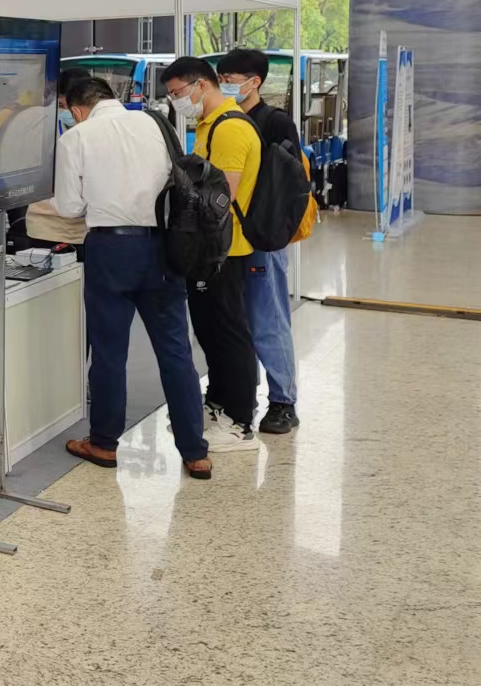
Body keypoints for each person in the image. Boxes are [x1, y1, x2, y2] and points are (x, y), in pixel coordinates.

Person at [53, 76, 212, 479]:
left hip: (110, 250)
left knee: (109, 353)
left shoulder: (76, 138)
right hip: (163, 248)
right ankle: (196, 452)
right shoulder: (154, 122)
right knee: (175, 351)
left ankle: (104, 443)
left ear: (76, 109)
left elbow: (69, 207)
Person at [161, 56, 263, 452]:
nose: (176, 101)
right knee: (209, 332)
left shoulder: (231, 128)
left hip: (226, 250)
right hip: (209, 250)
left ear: (201, 85)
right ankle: (218, 404)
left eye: (178, 93)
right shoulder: (209, 124)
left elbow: (221, 198)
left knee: (229, 333)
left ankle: (240, 421)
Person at [216, 49, 301, 434]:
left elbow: (290, 183)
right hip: (227, 239)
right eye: (222, 78)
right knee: (236, 323)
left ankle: (283, 401)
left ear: (255, 82)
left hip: (262, 237)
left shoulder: (275, 122)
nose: (225, 84)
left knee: (269, 319)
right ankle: (238, 395)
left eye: (231, 79)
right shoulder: (222, 119)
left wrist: (270, 231)